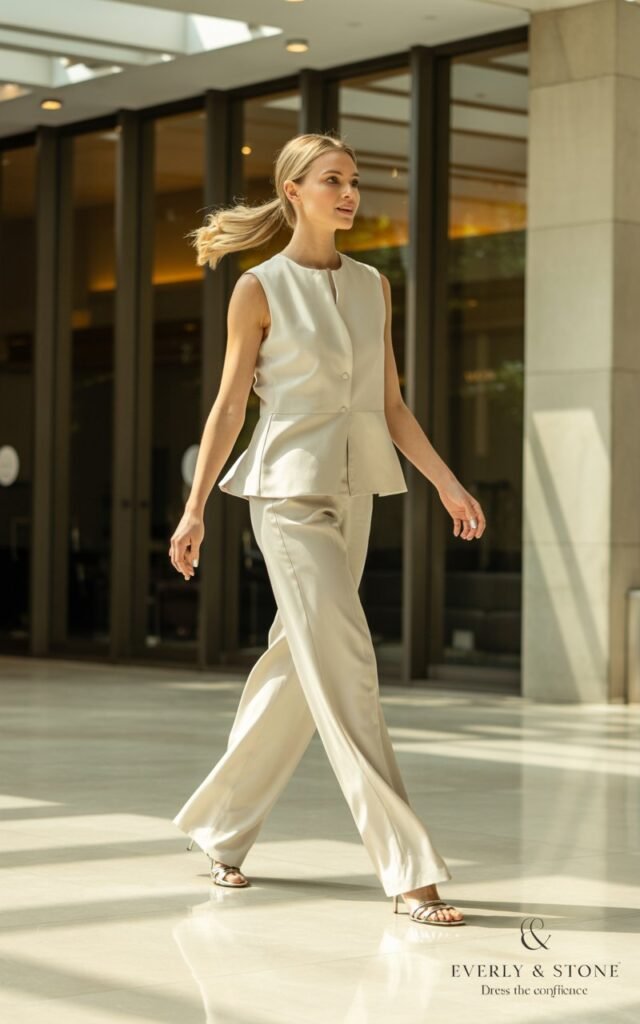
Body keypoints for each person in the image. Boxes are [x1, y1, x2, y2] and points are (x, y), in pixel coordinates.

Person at [168, 132, 486, 927]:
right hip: (286, 498)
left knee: (295, 668)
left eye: (353, 181)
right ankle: (409, 868)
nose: (349, 194)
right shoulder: (259, 288)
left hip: (356, 494)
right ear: (294, 191)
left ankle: (219, 828)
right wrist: (195, 506)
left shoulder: (374, 285)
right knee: (347, 664)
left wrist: (446, 482)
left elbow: (390, 405)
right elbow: (230, 408)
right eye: (332, 180)